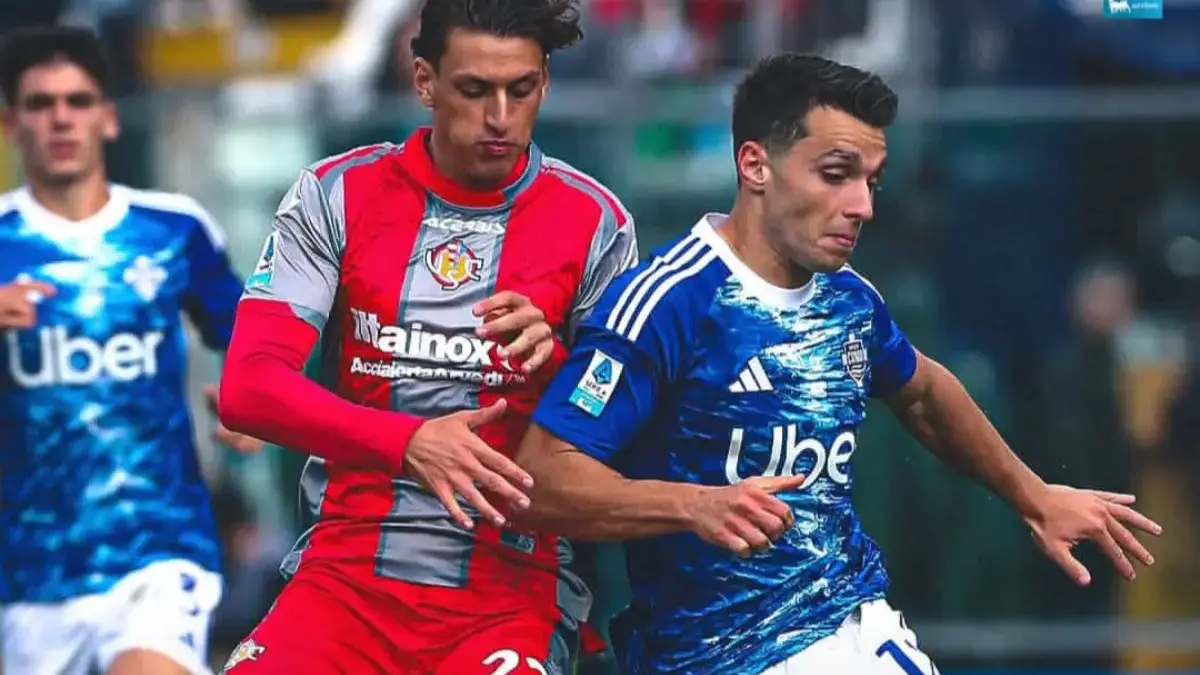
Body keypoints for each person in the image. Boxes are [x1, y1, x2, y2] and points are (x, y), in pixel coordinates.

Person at [514, 54, 1164, 675]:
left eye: (870, 182)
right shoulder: (670, 301)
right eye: (835, 174)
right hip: (711, 652)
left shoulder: (849, 298)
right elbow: (544, 477)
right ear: (755, 165)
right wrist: (694, 505)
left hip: (849, 626)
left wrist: (1034, 496)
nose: (862, 206)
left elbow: (923, 391)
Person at [216, 1, 637, 673]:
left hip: (511, 593)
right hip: (344, 580)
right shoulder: (335, 194)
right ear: (424, 81)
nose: (500, 116)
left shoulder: (596, 222)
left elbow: (630, 439)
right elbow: (249, 388)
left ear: (545, 84)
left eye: (521, 89)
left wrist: (561, 365)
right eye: (474, 89)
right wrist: (407, 442)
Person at [0, 26, 261, 675]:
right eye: (40, 104)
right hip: (28, 575)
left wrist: (251, 403)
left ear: (108, 117)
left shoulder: (173, 227)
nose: (61, 118)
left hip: (158, 550)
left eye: (78, 100)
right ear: (10, 123)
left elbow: (252, 337)